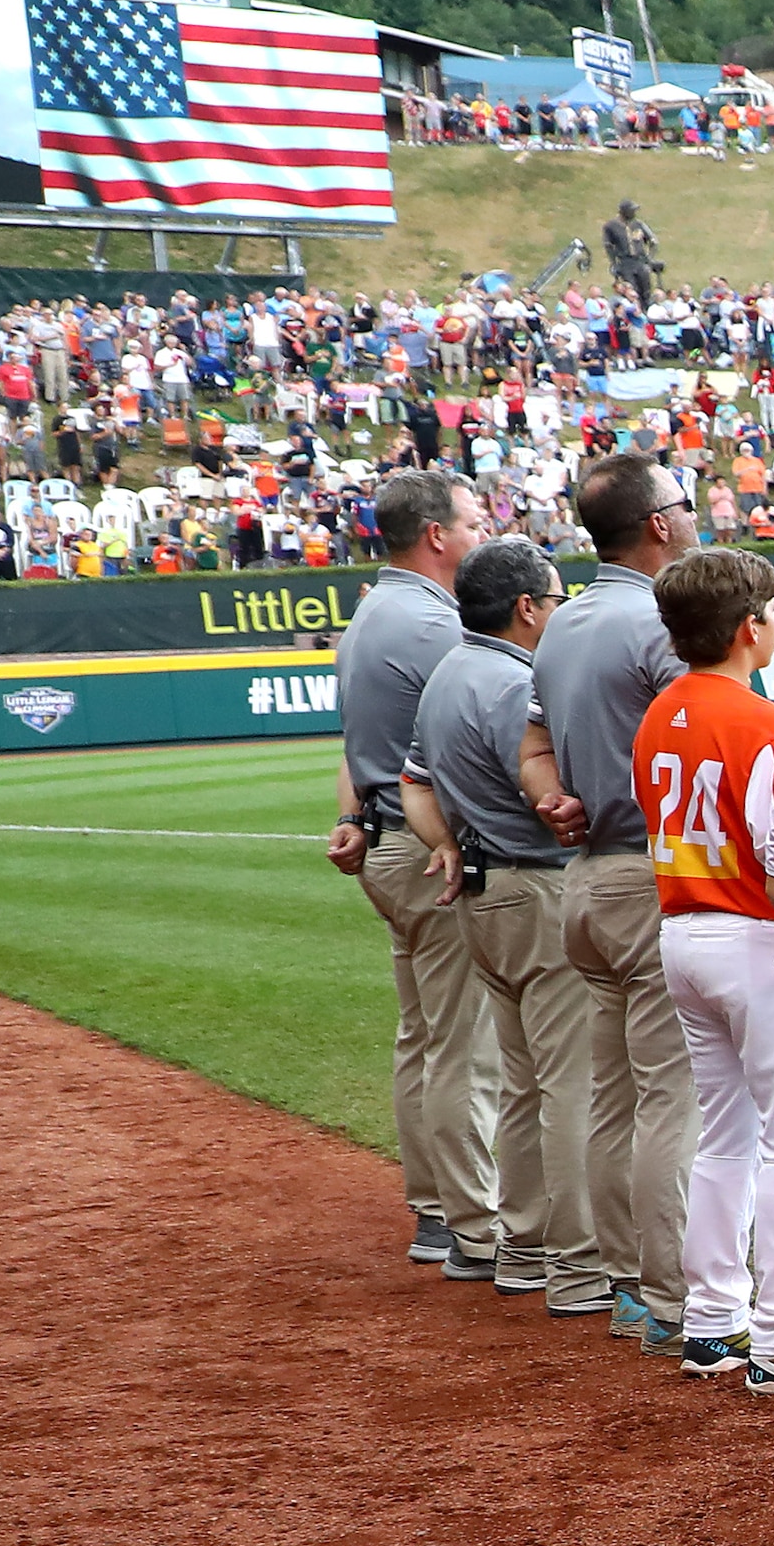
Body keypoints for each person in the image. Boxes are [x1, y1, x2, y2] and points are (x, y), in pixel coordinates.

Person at [626, 547, 774, 1393]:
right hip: (757, 934)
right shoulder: (765, 724)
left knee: (725, 1133)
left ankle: (712, 1320)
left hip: (682, 929)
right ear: (752, 627)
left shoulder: (657, 713)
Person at [530, 451, 705, 1348]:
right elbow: (704, 745)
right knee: (670, 1096)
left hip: (585, 878)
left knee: (615, 1096)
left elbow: (532, 742)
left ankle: (627, 1284)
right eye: (686, 502)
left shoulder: (559, 622)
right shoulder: (661, 624)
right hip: (645, 875)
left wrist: (552, 795)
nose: (697, 512)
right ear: (658, 525)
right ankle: (673, 1300)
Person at [403, 539, 595, 1319]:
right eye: (555, 598)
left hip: (484, 893)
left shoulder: (449, 670)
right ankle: (573, 1260)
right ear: (527, 608)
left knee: (524, 1082)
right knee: (571, 1086)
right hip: (535, 887)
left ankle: (521, 1244)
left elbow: (413, 787)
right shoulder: (516, 683)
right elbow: (548, 794)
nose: (560, 610)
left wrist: (446, 844)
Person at [326, 469, 499, 1276]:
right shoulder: (433, 622)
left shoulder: (369, 611)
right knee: (463, 1042)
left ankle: (435, 1211)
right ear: (437, 534)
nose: (482, 529)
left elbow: (352, 750)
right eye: (474, 519)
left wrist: (351, 818)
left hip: (387, 844)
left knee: (425, 1035)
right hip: (429, 851)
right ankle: (472, 1225)